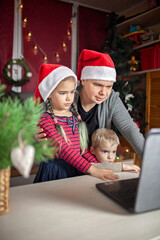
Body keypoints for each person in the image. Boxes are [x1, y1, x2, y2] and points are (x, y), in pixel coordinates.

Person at [35, 49, 145, 178]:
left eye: (109, 86)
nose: (103, 92)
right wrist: (36, 137)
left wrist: (150, 158)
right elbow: (51, 137)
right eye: (98, 85)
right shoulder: (63, 99)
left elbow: (129, 128)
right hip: (68, 167)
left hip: (95, 165)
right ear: (83, 80)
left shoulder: (111, 99)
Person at [33, 63, 119, 182]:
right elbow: (63, 149)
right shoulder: (45, 120)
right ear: (49, 94)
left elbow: (82, 151)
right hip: (55, 172)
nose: (69, 98)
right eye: (63, 93)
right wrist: (92, 169)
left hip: (76, 168)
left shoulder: (74, 117)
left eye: (72, 92)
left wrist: (107, 167)